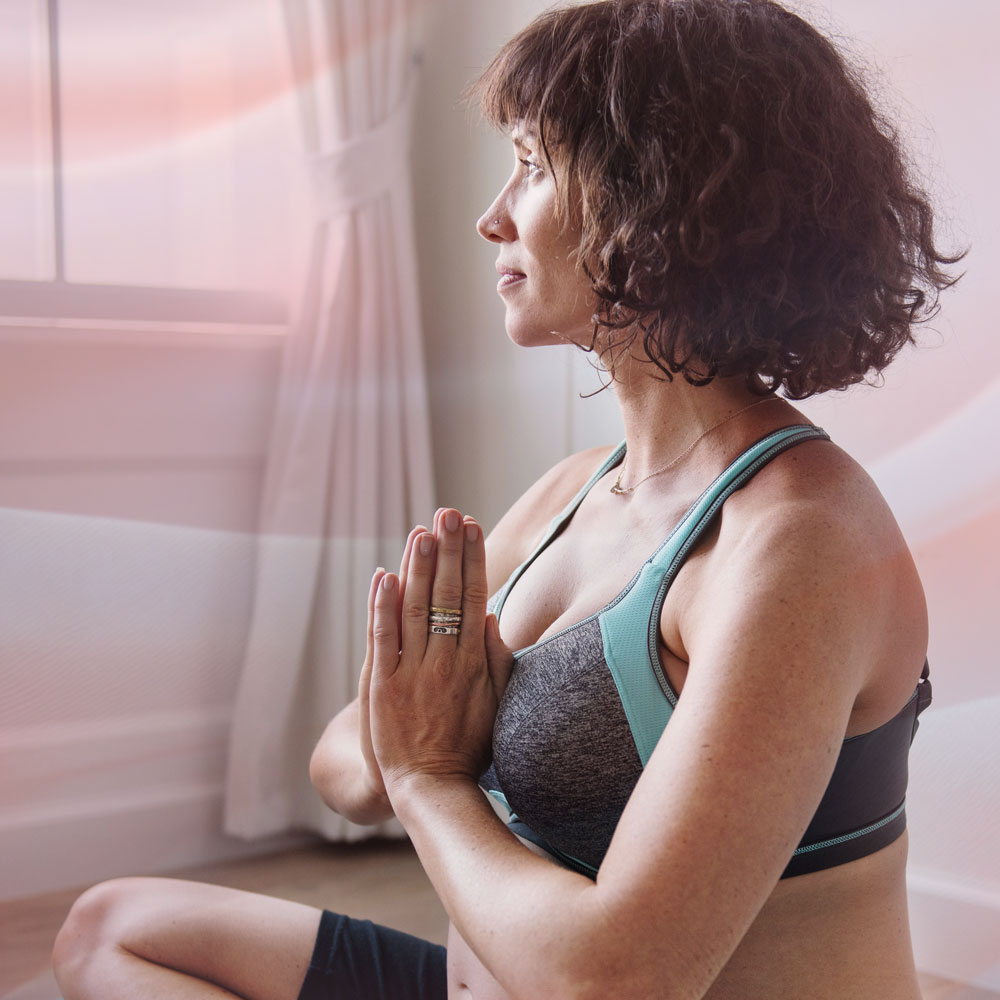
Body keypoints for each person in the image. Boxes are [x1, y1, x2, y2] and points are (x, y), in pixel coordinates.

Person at [51, 1, 960, 998]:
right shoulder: (578, 492)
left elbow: (613, 981)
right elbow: (343, 770)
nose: (493, 215)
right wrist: (416, 736)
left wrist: (429, 774)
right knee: (114, 929)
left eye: (530, 165)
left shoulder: (799, 541)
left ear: (659, 195)